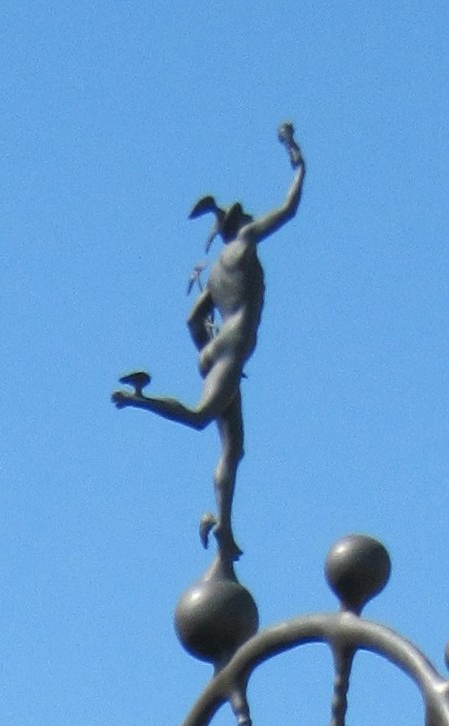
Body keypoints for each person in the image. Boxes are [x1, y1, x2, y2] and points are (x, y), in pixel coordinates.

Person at [112, 122, 305, 566]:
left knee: (233, 449)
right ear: (238, 225)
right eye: (244, 215)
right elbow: (288, 208)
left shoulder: (217, 269)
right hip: (232, 349)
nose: (250, 217)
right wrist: (297, 160)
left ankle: (224, 529)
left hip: (220, 351)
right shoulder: (244, 244)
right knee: (201, 418)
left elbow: (191, 318)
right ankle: (138, 398)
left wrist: (208, 348)